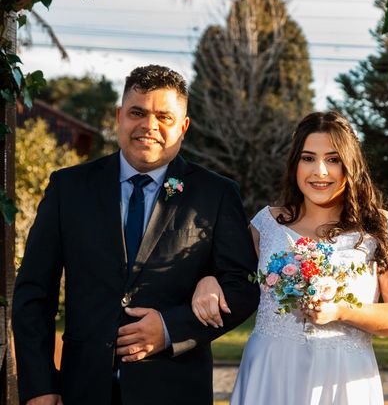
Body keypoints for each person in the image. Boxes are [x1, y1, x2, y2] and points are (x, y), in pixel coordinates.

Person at [12, 65, 259, 405]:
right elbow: (33, 294)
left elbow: (243, 287)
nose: (149, 126)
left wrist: (172, 328)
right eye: (137, 113)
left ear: (183, 127)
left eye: (164, 117)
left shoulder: (215, 194)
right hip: (81, 390)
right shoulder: (68, 188)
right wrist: (39, 385)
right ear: (119, 116)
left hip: (174, 390)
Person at [192, 111, 388, 405]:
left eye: (333, 159)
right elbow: (229, 277)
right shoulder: (266, 223)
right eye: (308, 158)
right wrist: (207, 279)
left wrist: (342, 311)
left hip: (341, 378)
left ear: (351, 165)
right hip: (270, 373)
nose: (320, 171)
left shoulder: (379, 228)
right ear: (294, 164)